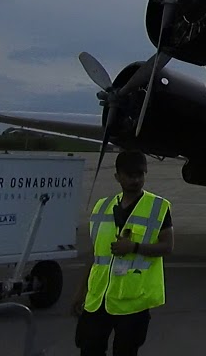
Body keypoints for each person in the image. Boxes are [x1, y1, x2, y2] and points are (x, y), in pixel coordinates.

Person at [73, 150, 174, 356]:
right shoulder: (102, 206)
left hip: (132, 301)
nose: (135, 180)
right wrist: (80, 291)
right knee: (89, 349)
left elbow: (167, 246)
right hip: (98, 299)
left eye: (140, 174)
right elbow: (96, 254)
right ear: (117, 176)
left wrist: (134, 247)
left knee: (126, 351)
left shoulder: (158, 207)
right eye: (129, 175)